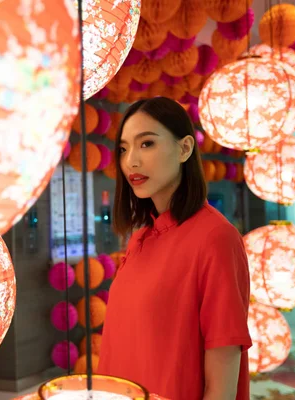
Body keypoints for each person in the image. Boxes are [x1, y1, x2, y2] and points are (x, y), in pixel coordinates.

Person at [97, 97, 252, 400]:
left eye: (147, 144)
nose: (131, 161)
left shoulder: (216, 238)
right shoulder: (140, 238)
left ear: (184, 149)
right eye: (124, 148)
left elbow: (222, 380)